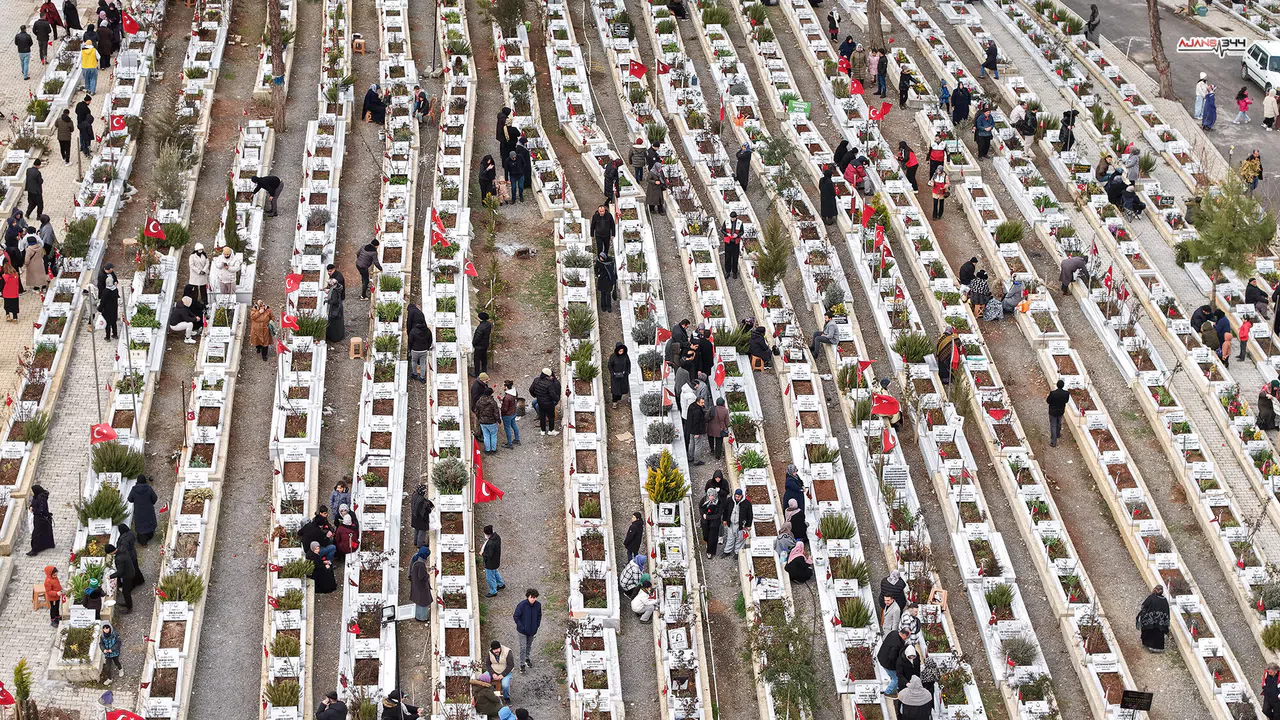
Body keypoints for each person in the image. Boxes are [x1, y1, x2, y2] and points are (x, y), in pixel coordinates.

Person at [513, 589, 542, 672]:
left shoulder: (538, 605)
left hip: (532, 630)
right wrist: (522, 627)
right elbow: (516, 616)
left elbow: (539, 615)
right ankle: (522, 664)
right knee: (523, 647)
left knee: (529, 645)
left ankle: (527, 659)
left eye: (535, 597)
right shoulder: (521, 605)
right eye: (531, 597)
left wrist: (537, 625)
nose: (533, 599)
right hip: (522, 631)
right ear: (528, 597)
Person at [1136, 585, 1170, 652]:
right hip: (1161, 623)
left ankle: (1150, 646)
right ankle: (1159, 648)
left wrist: (1142, 615)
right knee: (1159, 634)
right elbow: (1167, 611)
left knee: (1150, 632)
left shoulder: (1151, 597)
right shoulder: (1164, 600)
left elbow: (1144, 606)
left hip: (1150, 622)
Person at [878, 628, 910, 696]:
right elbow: (892, 657)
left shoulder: (893, 633)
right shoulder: (897, 644)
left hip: (881, 656)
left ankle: (894, 687)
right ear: (904, 635)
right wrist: (899, 667)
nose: (907, 638)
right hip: (887, 663)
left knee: (894, 676)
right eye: (907, 636)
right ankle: (888, 692)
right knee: (897, 678)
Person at [128, 475, 158, 545]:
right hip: (148, 510)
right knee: (149, 523)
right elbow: (155, 498)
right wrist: (151, 503)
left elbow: (130, 499)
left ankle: (143, 542)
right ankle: (150, 536)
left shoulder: (134, 489)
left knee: (140, 525)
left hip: (139, 511)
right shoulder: (148, 488)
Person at [529, 368, 561, 435]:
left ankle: (543, 431)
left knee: (542, 416)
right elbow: (553, 394)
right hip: (549, 403)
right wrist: (557, 399)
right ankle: (551, 431)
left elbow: (531, 390)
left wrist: (535, 395)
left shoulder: (536, 380)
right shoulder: (549, 383)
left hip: (540, 402)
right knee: (551, 416)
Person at [722, 488, 752, 556]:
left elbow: (750, 515)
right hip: (731, 523)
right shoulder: (729, 500)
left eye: (739, 496)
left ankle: (737, 553)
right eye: (736, 496)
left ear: (742, 495)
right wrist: (724, 519)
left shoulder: (747, 503)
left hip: (741, 524)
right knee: (730, 538)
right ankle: (727, 551)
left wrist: (748, 525)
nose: (737, 498)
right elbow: (725, 511)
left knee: (740, 539)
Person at [408, 304, 432, 382]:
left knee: (414, 362)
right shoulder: (427, 331)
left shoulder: (413, 331)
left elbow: (410, 341)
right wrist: (427, 347)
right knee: (422, 363)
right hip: (424, 350)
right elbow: (430, 340)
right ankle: (422, 377)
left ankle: (414, 374)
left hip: (415, 350)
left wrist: (410, 349)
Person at [408, 545, 433, 622]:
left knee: (418, 601)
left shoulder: (416, 557)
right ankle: (422, 618)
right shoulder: (421, 564)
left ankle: (418, 616)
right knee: (423, 602)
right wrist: (428, 573)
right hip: (421, 587)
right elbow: (421, 577)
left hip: (416, 583)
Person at [1045, 379, 1070, 447]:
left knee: (1053, 425)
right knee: (1059, 422)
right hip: (1061, 410)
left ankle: (1053, 442)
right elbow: (1066, 401)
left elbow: (1048, 401)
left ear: (1057, 385)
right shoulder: (1066, 393)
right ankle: (1058, 434)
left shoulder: (1053, 393)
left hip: (1053, 411)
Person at [482, 525, 505, 597]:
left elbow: (489, 555)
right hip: (496, 560)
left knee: (489, 577)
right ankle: (501, 584)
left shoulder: (490, 544)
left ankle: (493, 591)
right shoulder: (497, 537)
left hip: (490, 563)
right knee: (495, 572)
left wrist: (482, 553)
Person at [477, 386, 501, 454]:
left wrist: (479, 418)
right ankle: (493, 449)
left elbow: (477, 411)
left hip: (483, 422)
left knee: (486, 435)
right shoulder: (493, 402)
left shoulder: (479, 401)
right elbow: (496, 413)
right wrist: (499, 420)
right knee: (493, 435)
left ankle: (487, 450)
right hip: (492, 422)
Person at [700, 488, 722, 558]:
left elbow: (719, 514)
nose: (711, 497)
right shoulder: (704, 499)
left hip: (714, 523)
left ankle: (710, 551)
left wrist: (708, 517)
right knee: (705, 535)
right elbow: (700, 507)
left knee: (712, 537)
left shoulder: (719, 502)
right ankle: (707, 542)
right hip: (705, 522)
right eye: (709, 495)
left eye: (712, 496)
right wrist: (703, 514)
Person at [685, 395, 707, 465]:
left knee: (691, 444)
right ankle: (696, 460)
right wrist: (697, 433)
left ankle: (690, 457)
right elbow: (697, 423)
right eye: (702, 403)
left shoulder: (691, 406)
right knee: (698, 445)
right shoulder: (698, 411)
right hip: (697, 431)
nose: (703, 404)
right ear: (698, 402)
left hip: (690, 429)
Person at [98, 268, 119, 339]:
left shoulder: (105, 291)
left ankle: (108, 337)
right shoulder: (115, 289)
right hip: (114, 308)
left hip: (107, 310)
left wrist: (99, 309)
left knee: (107, 324)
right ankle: (115, 334)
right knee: (113, 322)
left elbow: (103, 302)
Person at [608, 342, 630, 408]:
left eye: (622, 351)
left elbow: (628, 364)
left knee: (621, 389)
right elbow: (610, 365)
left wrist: (627, 372)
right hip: (615, 376)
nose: (621, 352)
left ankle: (618, 399)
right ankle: (614, 401)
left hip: (623, 376)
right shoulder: (613, 356)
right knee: (615, 390)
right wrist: (612, 373)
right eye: (620, 351)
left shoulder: (625, 356)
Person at [722, 212, 743, 279]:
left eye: (733, 218)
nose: (732, 219)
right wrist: (726, 234)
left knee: (735, 257)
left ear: (736, 217)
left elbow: (742, 231)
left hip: (735, 243)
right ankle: (727, 272)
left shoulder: (740, 223)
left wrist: (737, 235)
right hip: (728, 242)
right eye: (731, 217)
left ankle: (734, 272)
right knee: (727, 257)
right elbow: (722, 230)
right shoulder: (726, 222)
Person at [500, 380, 520, 448]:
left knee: (507, 428)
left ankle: (509, 443)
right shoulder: (514, 392)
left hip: (507, 415)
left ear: (506, 387)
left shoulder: (507, 397)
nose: (503, 387)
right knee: (514, 425)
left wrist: (501, 409)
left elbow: (505, 409)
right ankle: (517, 439)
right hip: (513, 412)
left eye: (503, 386)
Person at [326, 277, 346, 343]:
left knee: (334, 324)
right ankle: (340, 335)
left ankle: (334, 337)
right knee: (339, 323)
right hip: (339, 307)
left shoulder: (334, 291)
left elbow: (334, 301)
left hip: (335, 309)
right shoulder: (338, 287)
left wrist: (328, 301)